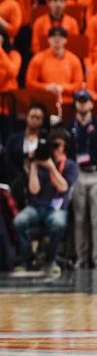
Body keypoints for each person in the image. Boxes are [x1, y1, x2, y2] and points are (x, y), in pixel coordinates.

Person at [13, 132, 78, 275]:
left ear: (65, 147)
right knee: (19, 221)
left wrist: (52, 167)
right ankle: (27, 260)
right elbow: (34, 190)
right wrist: (34, 166)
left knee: (58, 223)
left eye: (58, 145)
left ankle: (50, 260)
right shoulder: (40, 163)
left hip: (57, 209)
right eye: (53, 145)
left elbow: (63, 187)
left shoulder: (70, 165)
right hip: (36, 207)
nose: (55, 149)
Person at [67, 90, 97, 268]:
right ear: (75, 104)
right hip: (77, 173)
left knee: (95, 218)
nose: (82, 104)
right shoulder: (69, 127)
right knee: (79, 219)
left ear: (91, 104)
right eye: (79, 101)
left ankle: (95, 257)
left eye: (85, 101)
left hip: (95, 173)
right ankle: (81, 257)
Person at [26, 26, 84, 105]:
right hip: (44, 101)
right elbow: (29, 83)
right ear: (48, 39)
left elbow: (79, 84)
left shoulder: (74, 60)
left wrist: (63, 88)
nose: (57, 39)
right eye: (53, 36)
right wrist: (46, 87)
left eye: (60, 37)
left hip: (67, 102)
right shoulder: (38, 58)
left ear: (66, 40)